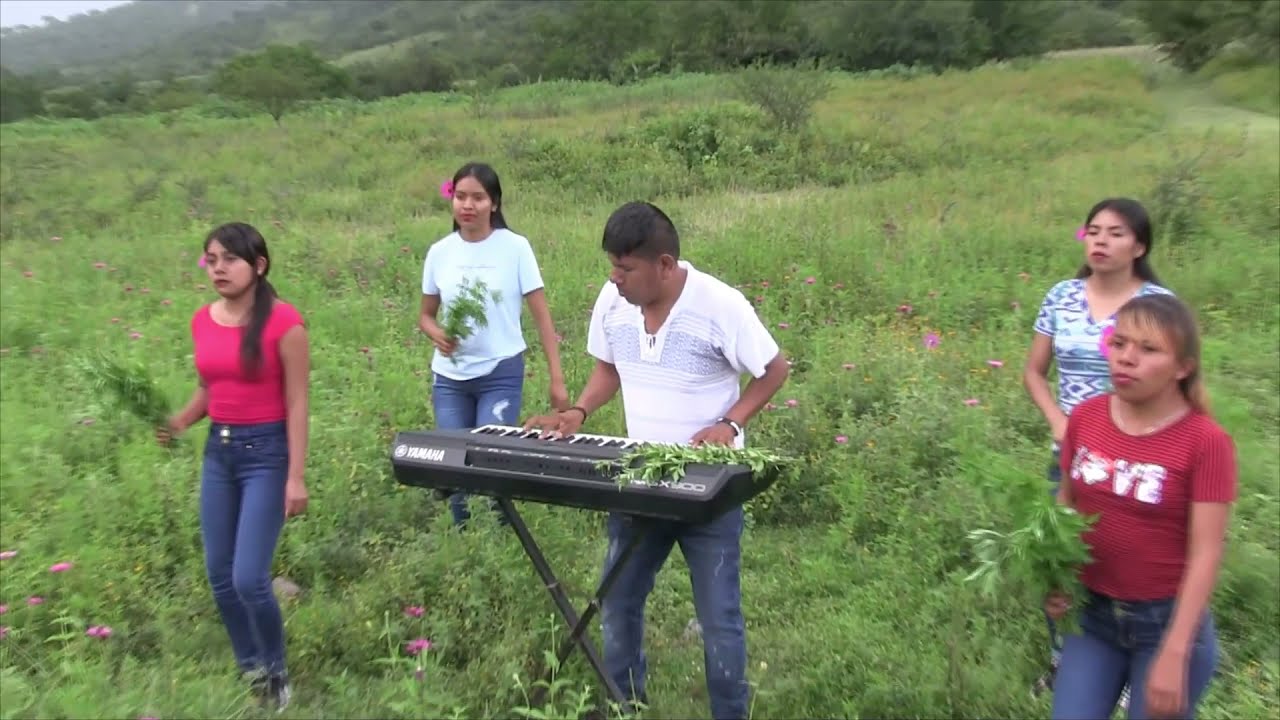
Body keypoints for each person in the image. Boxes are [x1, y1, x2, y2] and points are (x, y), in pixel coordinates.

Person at [523, 201, 790, 720]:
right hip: (640, 479)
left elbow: (774, 369)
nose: (614, 277)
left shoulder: (720, 305)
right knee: (618, 599)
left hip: (709, 489)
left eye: (625, 268)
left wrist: (730, 423)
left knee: (719, 617)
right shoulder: (613, 301)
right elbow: (609, 368)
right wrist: (578, 411)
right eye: (612, 266)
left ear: (664, 265)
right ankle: (625, 705)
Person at [1045, 293, 1236, 720]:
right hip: (1092, 617)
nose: (1126, 358)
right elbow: (1067, 503)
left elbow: (1206, 553)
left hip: (1165, 625)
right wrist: (1059, 576)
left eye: (1149, 349)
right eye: (1119, 343)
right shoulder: (1086, 418)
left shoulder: (1206, 443)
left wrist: (1175, 652)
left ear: (1183, 367)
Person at [1022, 197, 1175, 703]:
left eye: (1115, 232)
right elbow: (1034, 372)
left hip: (1136, 456)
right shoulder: (1062, 296)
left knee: (1122, 555)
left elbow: (1172, 381)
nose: (1101, 241)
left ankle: (1130, 669)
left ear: (1140, 246)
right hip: (1071, 452)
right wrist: (1059, 423)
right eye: (1093, 231)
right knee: (1061, 557)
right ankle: (1063, 660)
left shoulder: (1157, 305)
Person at [156, 222, 310, 711]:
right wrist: (179, 421)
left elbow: (297, 402)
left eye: (229, 259)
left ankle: (277, 671)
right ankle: (252, 670)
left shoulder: (285, 323)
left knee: (248, 577)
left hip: (266, 454)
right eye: (211, 259)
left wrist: (295, 477)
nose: (218, 268)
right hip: (219, 453)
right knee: (219, 575)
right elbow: (211, 387)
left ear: (258, 266)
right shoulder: (203, 320)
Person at [418, 161, 569, 526]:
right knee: (455, 466)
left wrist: (557, 378)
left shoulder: (515, 248)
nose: (468, 206)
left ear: (494, 203)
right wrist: (435, 332)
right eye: (460, 197)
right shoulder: (440, 252)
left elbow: (542, 317)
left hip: (500, 373)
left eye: (478, 198)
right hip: (450, 379)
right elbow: (425, 315)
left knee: (489, 461)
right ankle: (464, 540)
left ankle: (499, 535)